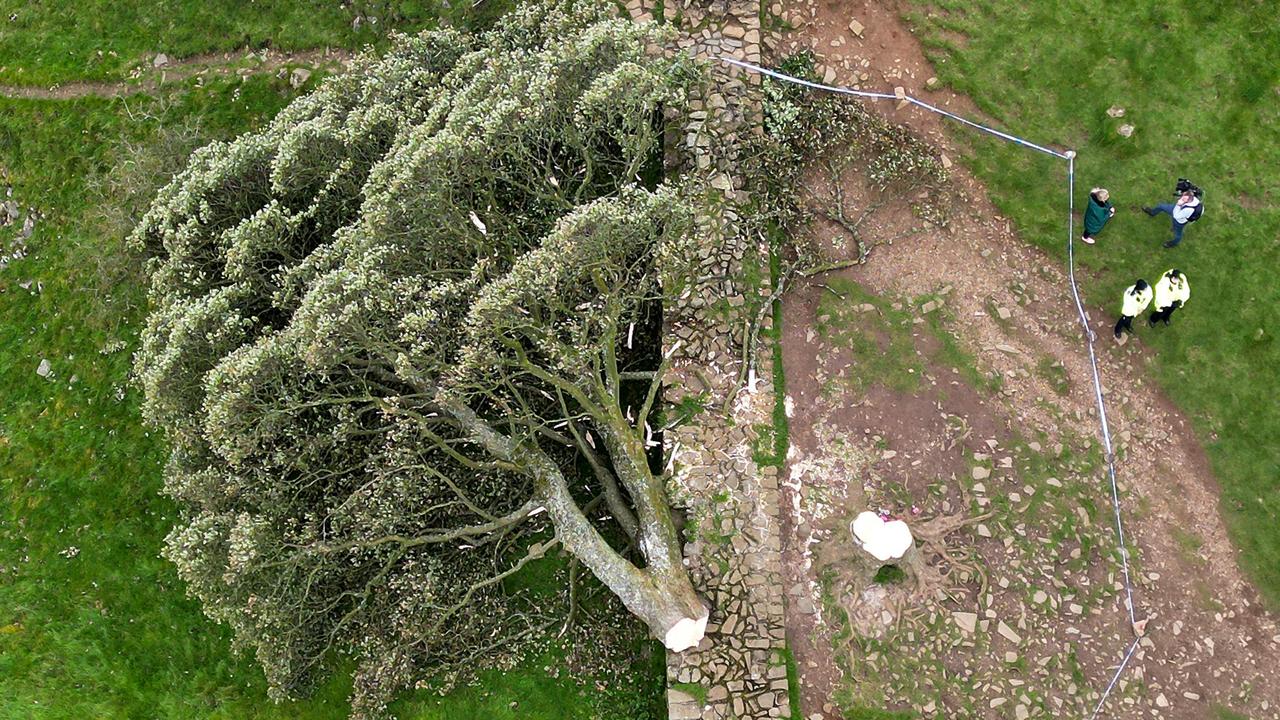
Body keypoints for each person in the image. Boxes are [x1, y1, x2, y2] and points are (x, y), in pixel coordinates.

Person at [1142, 183, 1203, 248]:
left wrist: (1178, 204)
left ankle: (1173, 243)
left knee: (1178, 235)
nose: (1180, 198)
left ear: (1188, 201)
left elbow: (1176, 215)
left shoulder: (1188, 210)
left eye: (1183, 199)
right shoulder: (1194, 200)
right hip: (1179, 210)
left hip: (1179, 220)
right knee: (1161, 206)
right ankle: (1152, 212)